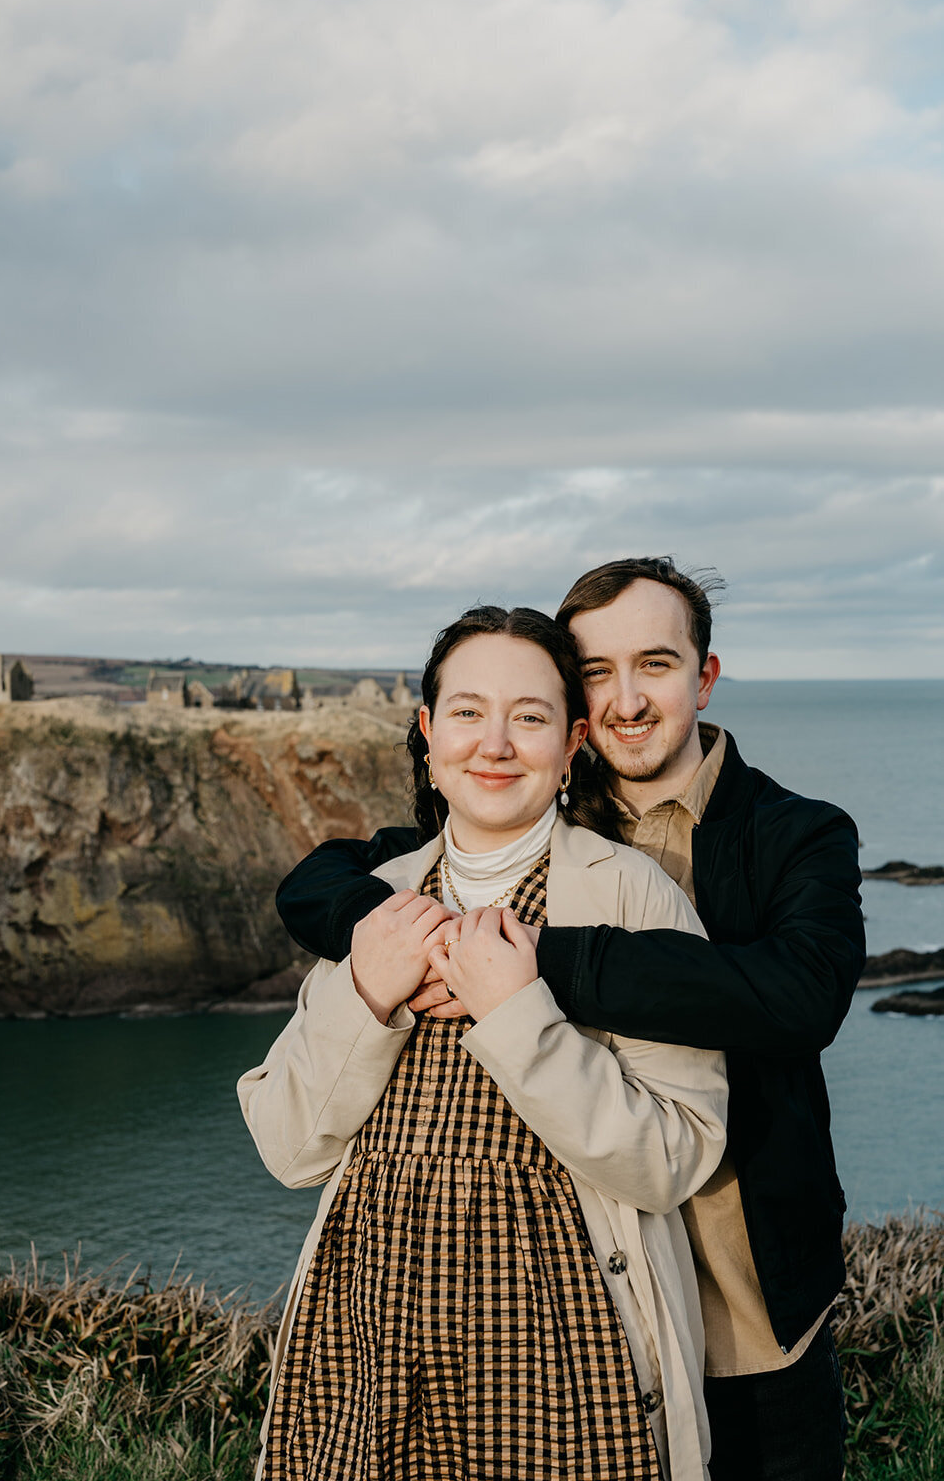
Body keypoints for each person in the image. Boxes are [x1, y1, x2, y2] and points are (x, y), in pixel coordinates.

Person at [275, 559, 865, 1481]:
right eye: (595, 671)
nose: (627, 699)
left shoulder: (794, 833)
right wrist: (385, 954)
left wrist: (520, 960)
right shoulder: (508, 815)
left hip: (738, 1286)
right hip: (493, 1295)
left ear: (703, 678)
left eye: (656, 664)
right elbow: (326, 880)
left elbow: (800, 996)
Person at [241, 606, 728, 1481]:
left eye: (530, 717)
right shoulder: (377, 899)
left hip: (567, 1344)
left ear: (574, 741)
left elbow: (672, 1158)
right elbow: (287, 1147)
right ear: (427, 734)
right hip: (364, 1336)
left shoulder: (636, 897)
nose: (493, 743)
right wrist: (365, 993)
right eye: (466, 712)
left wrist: (515, 1018)